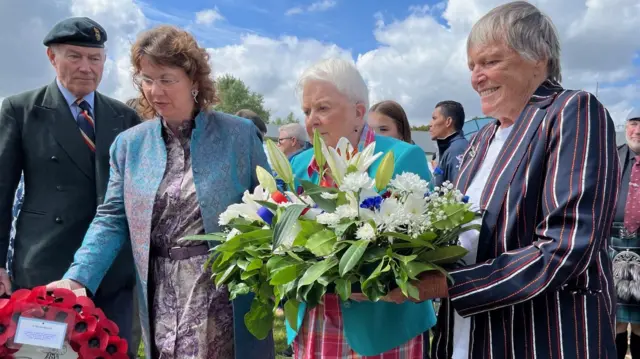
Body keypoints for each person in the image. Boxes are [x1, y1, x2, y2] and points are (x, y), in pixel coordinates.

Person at [46, 25, 275, 359]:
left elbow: (271, 204)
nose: (155, 91)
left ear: (194, 81)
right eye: (146, 79)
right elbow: (112, 219)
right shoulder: (130, 145)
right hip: (160, 293)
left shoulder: (239, 135)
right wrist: (78, 278)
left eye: (167, 79)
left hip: (225, 293)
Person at [428, 2, 619, 358]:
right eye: (472, 66)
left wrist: (448, 284)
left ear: (538, 57)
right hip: (466, 337)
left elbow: (565, 248)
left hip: (539, 336)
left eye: (490, 62)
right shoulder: (482, 140)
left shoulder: (572, 112)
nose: (476, 77)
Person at [286, 57, 443, 359]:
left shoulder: (401, 158)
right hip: (315, 321)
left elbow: (427, 247)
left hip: (384, 329)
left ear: (359, 112)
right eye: (307, 111)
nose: (311, 120)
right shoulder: (299, 166)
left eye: (322, 108)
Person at [0, 17, 139, 356]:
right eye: (75, 56)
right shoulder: (21, 110)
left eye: (95, 58)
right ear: (52, 57)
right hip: (46, 270)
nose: (86, 67)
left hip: (112, 272)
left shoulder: (125, 118)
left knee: (113, 351)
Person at [613, 111, 640, 358]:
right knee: (615, 321)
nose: (638, 130)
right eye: (634, 124)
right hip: (613, 246)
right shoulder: (613, 157)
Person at [429, 100, 469, 186]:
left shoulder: (457, 150)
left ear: (448, 122)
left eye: (434, 118)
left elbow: (457, 193)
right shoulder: (450, 148)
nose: (430, 124)